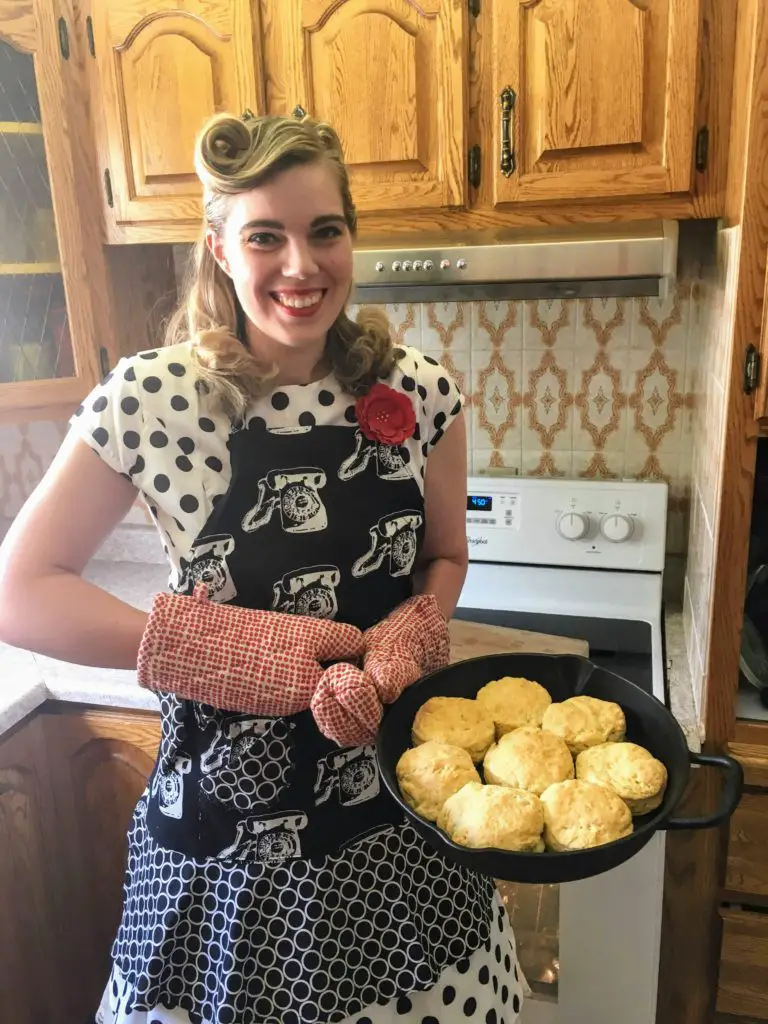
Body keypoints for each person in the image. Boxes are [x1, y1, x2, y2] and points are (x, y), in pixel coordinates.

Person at [0, 111, 523, 1024]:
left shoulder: (418, 391)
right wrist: (204, 648)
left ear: (351, 235)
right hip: (224, 846)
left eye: (325, 231)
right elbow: (20, 590)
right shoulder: (152, 398)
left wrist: (420, 623)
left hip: (399, 821)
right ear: (217, 246)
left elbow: (443, 551)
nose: (300, 267)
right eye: (265, 236)